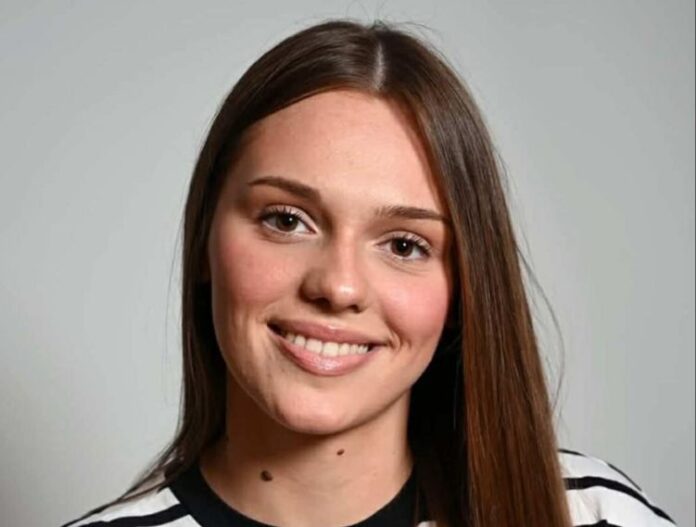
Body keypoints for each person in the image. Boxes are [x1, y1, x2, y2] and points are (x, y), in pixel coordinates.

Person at [62, 19, 676, 527]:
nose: (339, 287)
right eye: (286, 220)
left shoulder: (595, 516)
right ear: (204, 239)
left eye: (405, 245)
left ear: (464, 289)